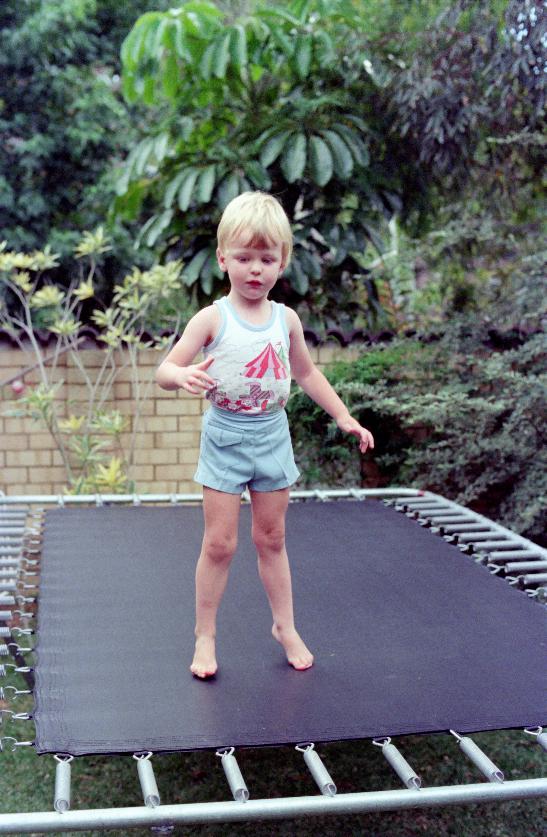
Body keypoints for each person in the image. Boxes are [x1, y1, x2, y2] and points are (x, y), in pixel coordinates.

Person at [155, 191, 374, 679]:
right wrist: (182, 376)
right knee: (220, 543)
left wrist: (344, 417)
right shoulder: (212, 318)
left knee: (272, 538)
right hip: (225, 437)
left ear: (283, 262)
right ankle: (205, 635)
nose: (255, 270)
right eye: (244, 258)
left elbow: (308, 375)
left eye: (266, 259)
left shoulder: (285, 320)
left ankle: (285, 626)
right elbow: (165, 368)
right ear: (223, 259)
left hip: (272, 435)